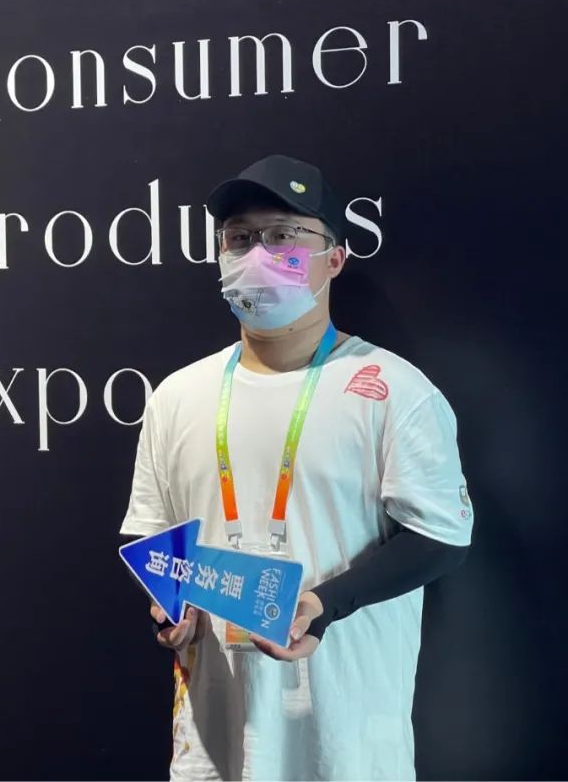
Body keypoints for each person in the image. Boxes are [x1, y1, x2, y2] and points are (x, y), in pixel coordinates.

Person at [119, 154, 474, 781]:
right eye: (239, 238)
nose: (258, 253)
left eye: (283, 235)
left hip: (343, 748)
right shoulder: (178, 395)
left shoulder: (393, 390)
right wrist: (171, 609)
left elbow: (441, 536)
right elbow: (153, 533)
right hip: (213, 747)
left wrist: (323, 603)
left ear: (334, 258)